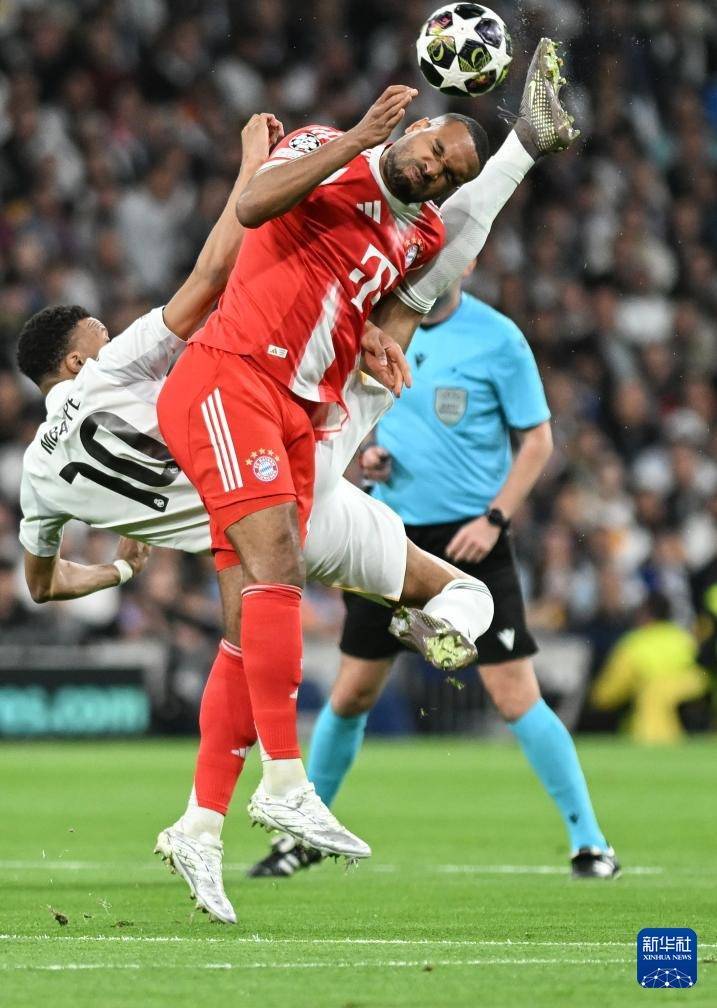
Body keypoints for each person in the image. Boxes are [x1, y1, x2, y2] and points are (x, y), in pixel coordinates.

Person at [17, 39, 578, 922]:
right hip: (249, 423)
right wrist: (285, 154)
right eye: (436, 155)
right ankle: (285, 782)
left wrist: (118, 567)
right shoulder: (118, 367)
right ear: (78, 359)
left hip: (284, 437)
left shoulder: (36, 479)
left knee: (275, 629)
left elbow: (42, 583)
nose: (433, 171)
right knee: (280, 575)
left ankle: (200, 826)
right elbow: (215, 267)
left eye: (448, 170)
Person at [249, 276, 620, 882]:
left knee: (515, 695)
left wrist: (494, 519)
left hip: (474, 539)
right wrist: (366, 456)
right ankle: (301, 838)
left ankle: (591, 842)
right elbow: (345, 414)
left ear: (467, 265)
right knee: (352, 693)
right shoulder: (379, 327)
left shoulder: (498, 338)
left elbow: (537, 441)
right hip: (389, 538)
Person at [592, 592, 709, 744]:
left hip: (646, 730)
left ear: (645, 615)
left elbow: (606, 695)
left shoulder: (634, 643)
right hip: (690, 730)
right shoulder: (685, 640)